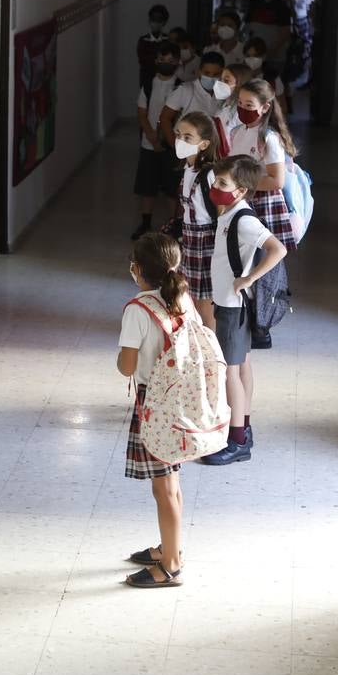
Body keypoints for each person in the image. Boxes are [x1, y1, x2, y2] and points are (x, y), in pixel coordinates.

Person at [117, 232, 196, 587]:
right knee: (171, 482)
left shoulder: (138, 309)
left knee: (162, 488)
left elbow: (127, 366)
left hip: (154, 404)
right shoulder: (182, 299)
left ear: (136, 270)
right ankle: (170, 546)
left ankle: (172, 565)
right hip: (178, 400)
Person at [202, 156, 287, 466]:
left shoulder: (244, 220)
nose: (215, 187)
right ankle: (244, 426)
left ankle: (237, 441)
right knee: (242, 367)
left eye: (223, 184)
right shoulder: (230, 214)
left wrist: (249, 278)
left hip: (233, 306)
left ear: (240, 190)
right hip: (229, 303)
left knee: (230, 371)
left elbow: (278, 248)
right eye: (216, 180)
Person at [227, 80, 299, 255]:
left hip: (262, 205)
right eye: (240, 103)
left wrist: (241, 183)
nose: (243, 108)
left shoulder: (268, 138)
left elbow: (276, 181)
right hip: (240, 200)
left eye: (249, 105)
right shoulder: (236, 132)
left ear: (265, 107)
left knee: (261, 258)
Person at [173, 111, 222, 330]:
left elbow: (221, 211)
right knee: (190, 299)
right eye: (178, 134)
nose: (179, 141)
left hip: (206, 242)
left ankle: (211, 348)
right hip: (190, 240)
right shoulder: (187, 169)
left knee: (206, 304)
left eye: (187, 137)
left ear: (203, 144)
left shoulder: (209, 174)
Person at [132, 40, 181, 239]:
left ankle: (174, 224)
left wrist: (165, 139)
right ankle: (145, 223)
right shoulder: (148, 85)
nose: (165, 63)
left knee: (172, 188)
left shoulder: (181, 86)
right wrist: (151, 136)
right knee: (147, 186)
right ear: (156, 60)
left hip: (172, 145)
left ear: (177, 62)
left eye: (170, 60)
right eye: (162, 59)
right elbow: (142, 113)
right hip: (148, 143)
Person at [159, 51, 225, 158]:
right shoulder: (186, 90)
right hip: (186, 151)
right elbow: (165, 117)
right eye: (207, 73)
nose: (211, 77)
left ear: (222, 73)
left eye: (216, 74)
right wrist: (175, 146)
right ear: (199, 72)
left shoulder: (223, 94)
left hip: (211, 151)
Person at [246, 0, 293, 78]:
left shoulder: (282, 6)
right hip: (254, 56)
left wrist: (270, 52)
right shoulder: (254, 1)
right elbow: (247, 25)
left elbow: (285, 32)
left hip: (275, 57)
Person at [214, 62, 255, 152]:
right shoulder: (223, 105)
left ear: (240, 84)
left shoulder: (242, 112)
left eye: (226, 80)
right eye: (220, 79)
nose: (220, 83)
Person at [241, 37, 287, 115]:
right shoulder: (238, 76)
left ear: (264, 56)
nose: (252, 59)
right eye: (248, 56)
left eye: (256, 56)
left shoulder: (273, 77)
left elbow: (282, 106)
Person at [136, 3, 170, 88]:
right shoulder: (143, 40)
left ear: (164, 22)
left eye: (159, 20)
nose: (156, 23)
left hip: (165, 80)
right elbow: (143, 60)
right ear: (149, 21)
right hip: (147, 80)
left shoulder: (168, 39)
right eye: (153, 19)